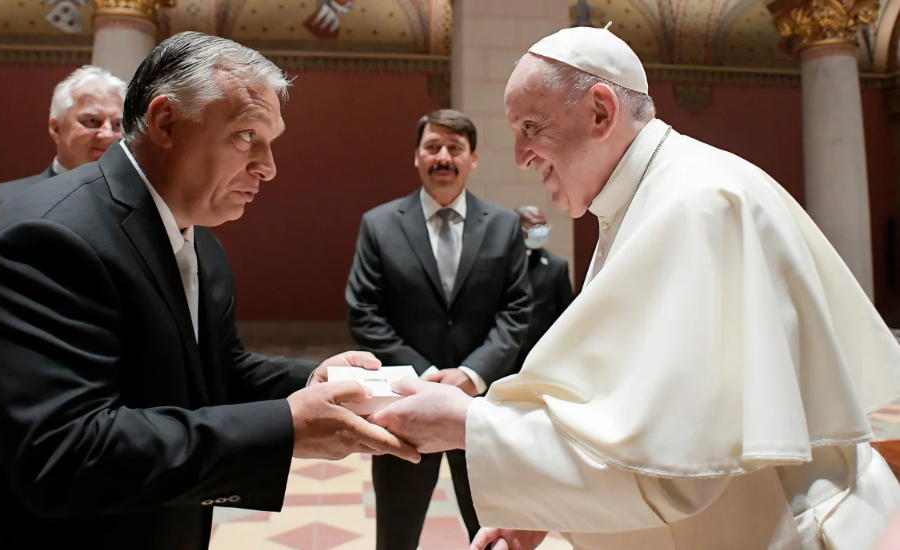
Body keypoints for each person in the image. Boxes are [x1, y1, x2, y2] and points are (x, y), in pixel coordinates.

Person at [369, 26, 900, 550]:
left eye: (531, 126)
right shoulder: (647, 198)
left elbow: (677, 463)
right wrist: (547, 505)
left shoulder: (696, 205)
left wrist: (468, 425)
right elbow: (618, 417)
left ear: (601, 112)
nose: (521, 155)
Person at [0, 32, 418, 550]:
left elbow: (214, 370)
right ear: (165, 122)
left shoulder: (197, 241)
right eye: (246, 136)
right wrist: (286, 426)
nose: (268, 166)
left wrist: (314, 379)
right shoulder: (48, 238)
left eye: (272, 142)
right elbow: (65, 454)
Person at [346, 109, 532, 550]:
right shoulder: (380, 224)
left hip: (481, 408)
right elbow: (364, 311)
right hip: (404, 403)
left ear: (473, 159)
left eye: (455, 148)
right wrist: (426, 375)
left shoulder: (505, 226)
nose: (443, 157)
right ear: (417, 157)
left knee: (492, 532)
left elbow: (517, 310)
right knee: (396, 532)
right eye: (433, 147)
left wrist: (470, 375)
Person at [0, 65, 126, 233]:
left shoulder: (138, 201)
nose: (107, 135)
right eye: (91, 121)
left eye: (117, 124)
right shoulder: (2, 203)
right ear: (56, 128)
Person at [513, 205, 575, 373]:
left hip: (542, 356)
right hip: (507, 355)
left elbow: (566, 313)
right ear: (517, 228)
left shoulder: (556, 266)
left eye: (544, 225)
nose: (541, 231)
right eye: (535, 226)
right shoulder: (501, 265)